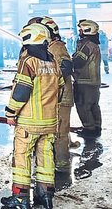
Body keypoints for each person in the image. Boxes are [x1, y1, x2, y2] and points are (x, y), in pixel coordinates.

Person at [1, 23, 63, 209]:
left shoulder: (29, 61)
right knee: (46, 159)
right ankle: (45, 197)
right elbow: (60, 88)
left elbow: (21, 91)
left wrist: (11, 113)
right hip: (49, 122)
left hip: (29, 123)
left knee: (22, 157)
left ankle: (20, 199)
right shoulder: (52, 61)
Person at [38, 17, 76, 173]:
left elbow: (66, 66)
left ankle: (62, 164)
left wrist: (53, 82)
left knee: (60, 133)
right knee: (56, 131)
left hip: (61, 98)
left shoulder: (57, 47)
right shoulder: (49, 47)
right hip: (54, 97)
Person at [72, 19, 103, 138]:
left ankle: (89, 129)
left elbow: (78, 62)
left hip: (84, 81)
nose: (79, 31)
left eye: (81, 29)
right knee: (94, 105)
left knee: (83, 106)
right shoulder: (94, 44)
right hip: (94, 82)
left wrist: (67, 63)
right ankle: (96, 127)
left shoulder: (85, 45)